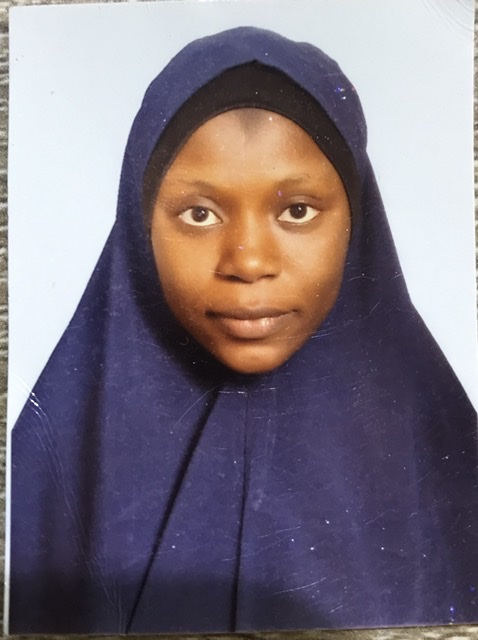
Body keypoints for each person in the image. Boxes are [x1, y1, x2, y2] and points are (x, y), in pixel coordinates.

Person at [9, 26, 478, 634]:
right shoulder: (45, 469)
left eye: (297, 211)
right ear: (139, 225)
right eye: (199, 214)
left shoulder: (446, 460)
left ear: (356, 221)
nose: (249, 261)